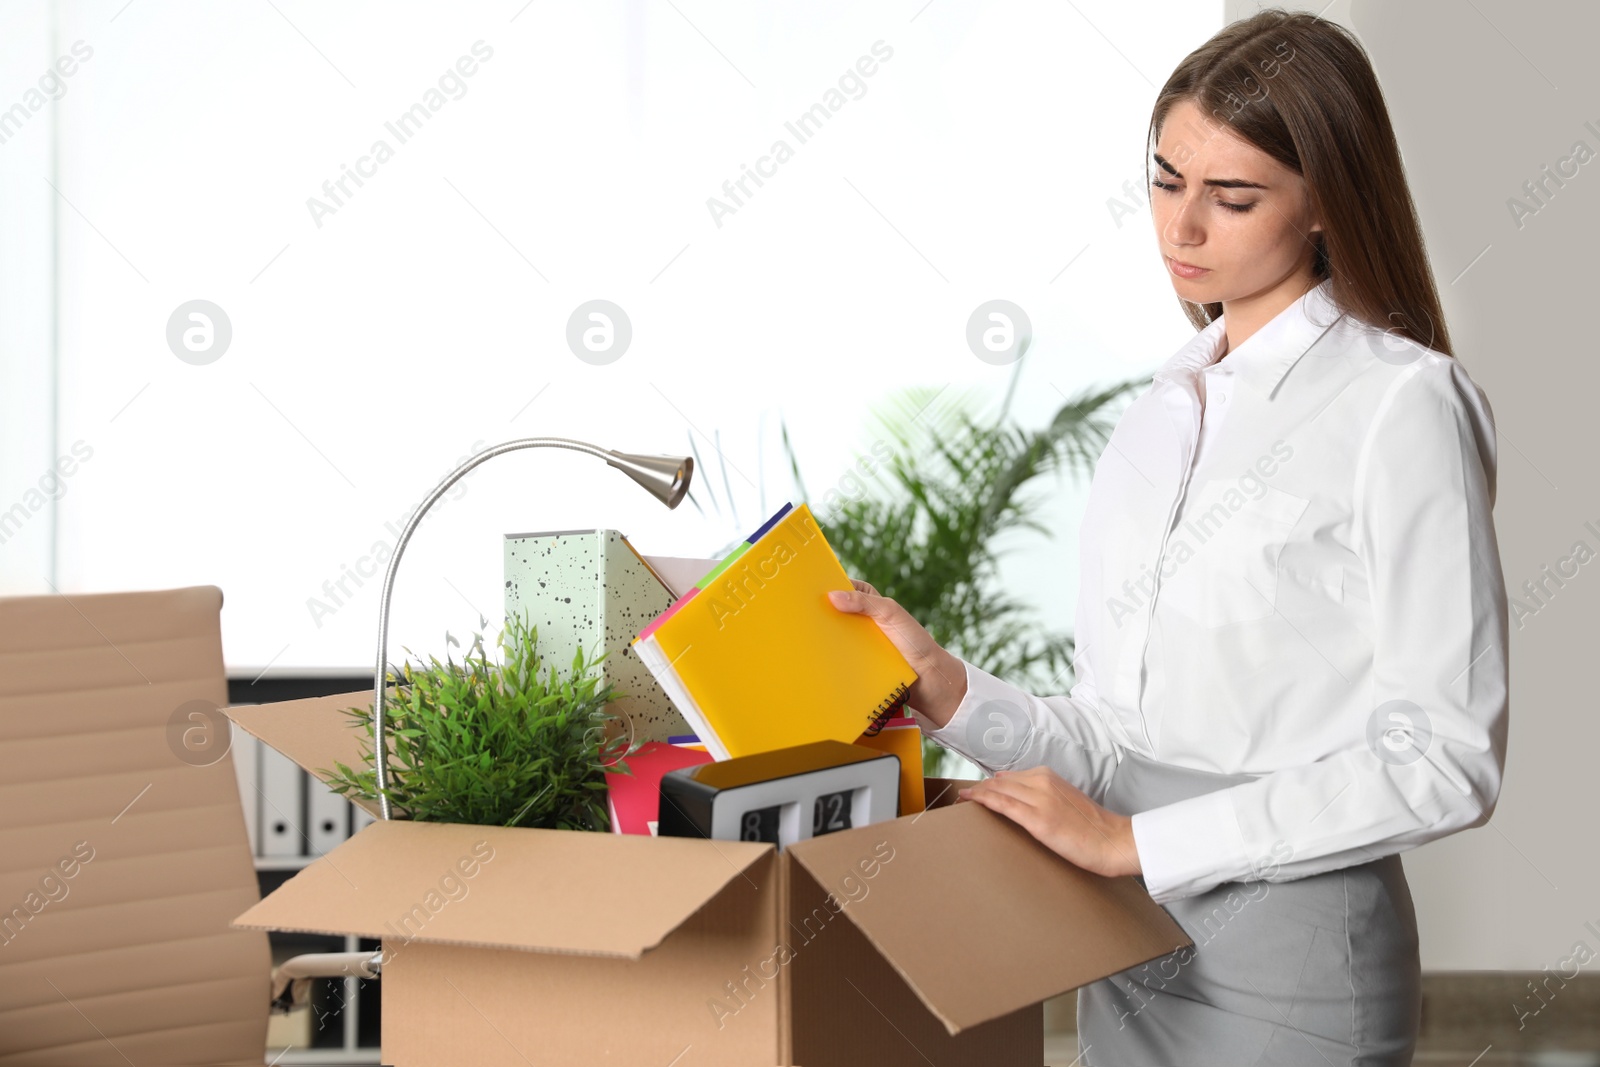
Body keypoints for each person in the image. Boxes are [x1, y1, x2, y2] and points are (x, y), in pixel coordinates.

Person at [827, 8, 1508, 1066]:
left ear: (1326, 199)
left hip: (1295, 961)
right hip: (1129, 939)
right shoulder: (1168, 403)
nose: (1179, 228)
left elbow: (1445, 760)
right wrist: (953, 693)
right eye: (1164, 180)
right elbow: (1119, 737)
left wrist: (1136, 841)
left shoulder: (1400, 403)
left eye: (1231, 197)